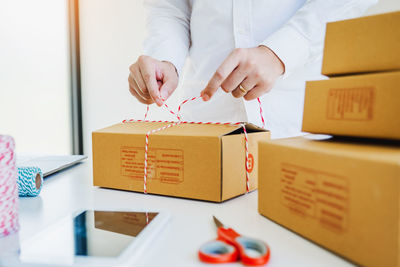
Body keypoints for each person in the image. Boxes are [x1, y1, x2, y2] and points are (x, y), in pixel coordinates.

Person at [128, 0, 377, 138]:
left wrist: (282, 51)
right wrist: (165, 58)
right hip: (206, 123)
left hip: (298, 117)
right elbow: (169, 7)